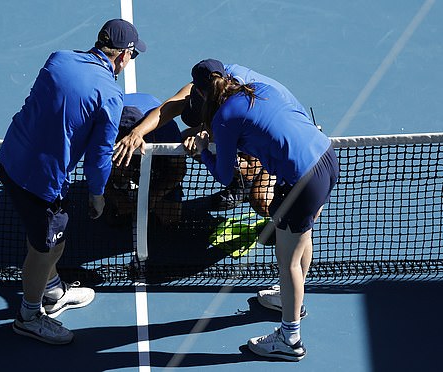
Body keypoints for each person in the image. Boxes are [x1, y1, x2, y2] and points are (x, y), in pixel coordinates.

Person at [0, 19, 146, 344]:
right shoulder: (109, 95)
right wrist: (97, 194)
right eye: (132, 56)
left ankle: (52, 291)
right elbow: (99, 155)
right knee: (45, 247)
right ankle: (29, 315)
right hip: (41, 184)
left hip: (10, 160)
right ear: (123, 55)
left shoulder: (59, 58)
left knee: (44, 237)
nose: (130, 62)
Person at [182, 59, 339, 361]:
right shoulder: (260, 87)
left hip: (301, 182)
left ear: (202, 93)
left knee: (287, 260)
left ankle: (290, 338)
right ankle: (289, 298)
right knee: (302, 236)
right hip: (326, 158)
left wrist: (203, 151)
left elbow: (226, 176)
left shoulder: (224, 118)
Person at [112, 61, 292, 219]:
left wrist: (208, 150)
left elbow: (246, 166)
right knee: (187, 139)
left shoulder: (241, 104)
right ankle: (240, 182)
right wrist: (137, 132)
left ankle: (288, 218)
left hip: (281, 141)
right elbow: (169, 107)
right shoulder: (213, 79)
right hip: (242, 128)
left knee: (260, 200)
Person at [105, 93, 186, 226]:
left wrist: (156, 194)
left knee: (170, 216)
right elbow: (94, 166)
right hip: (119, 125)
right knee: (117, 172)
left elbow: (179, 170)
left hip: (158, 153)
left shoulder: (168, 133)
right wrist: (115, 196)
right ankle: (122, 184)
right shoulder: (108, 129)